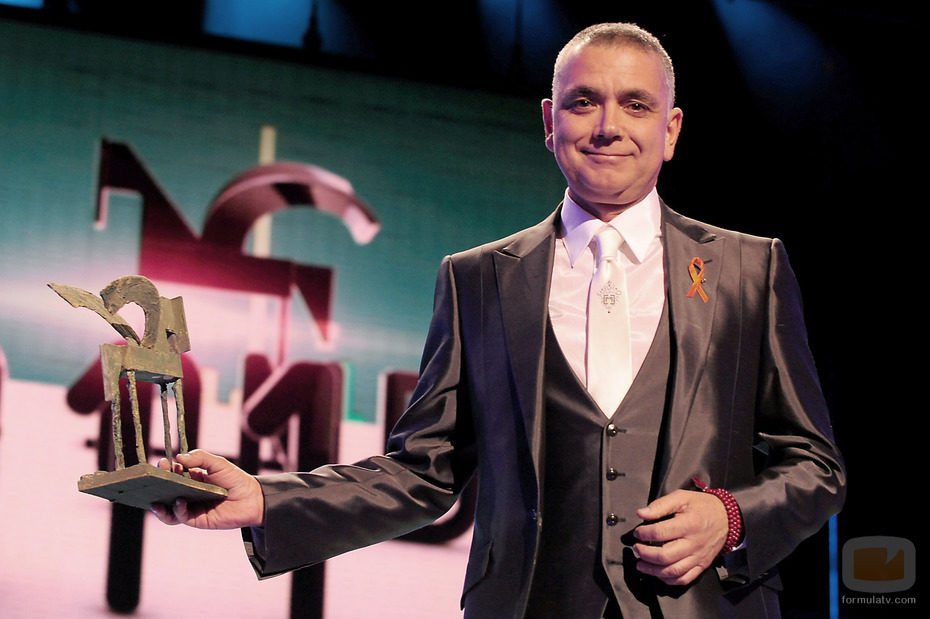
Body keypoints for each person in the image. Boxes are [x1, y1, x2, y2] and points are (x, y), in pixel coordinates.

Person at [154, 22, 845, 618]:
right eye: (584, 102)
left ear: (670, 130)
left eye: (635, 104)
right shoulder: (477, 279)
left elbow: (816, 466)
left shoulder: (750, 269)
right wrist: (266, 498)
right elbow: (421, 472)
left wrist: (730, 518)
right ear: (550, 122)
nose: (608, 125)